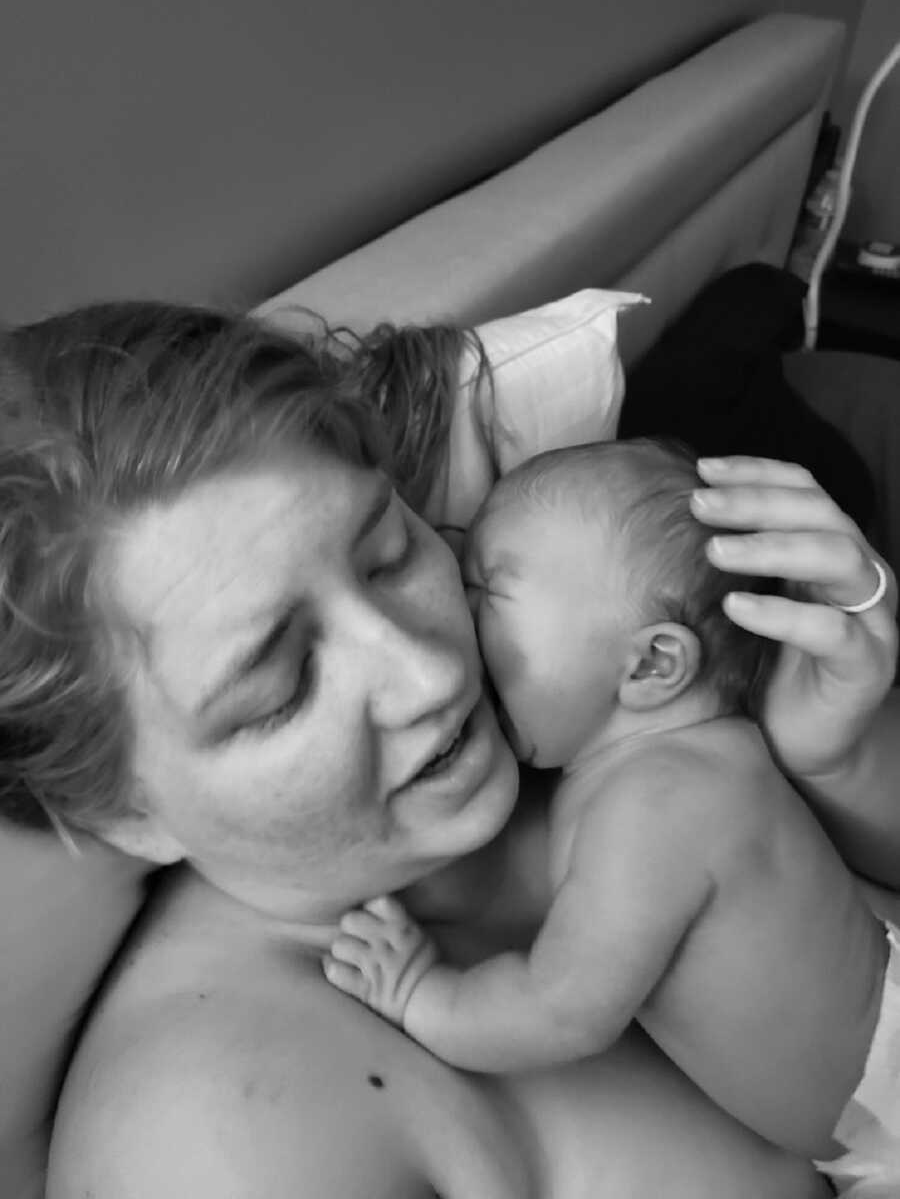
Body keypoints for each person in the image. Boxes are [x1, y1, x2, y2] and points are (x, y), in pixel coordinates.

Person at [0, 300, 887, 1199]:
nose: (432, 672)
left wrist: (835, 756)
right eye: (280, 689)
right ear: (120, 807)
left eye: (389, 555)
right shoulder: (224, 1140)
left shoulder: (581, 705)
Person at [324, 439, 898, 1190]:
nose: (452, 626)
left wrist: (424, 996)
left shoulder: (657, 802)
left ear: (652, 665)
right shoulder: (698, 762)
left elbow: (566, 1007)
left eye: (488, 591)